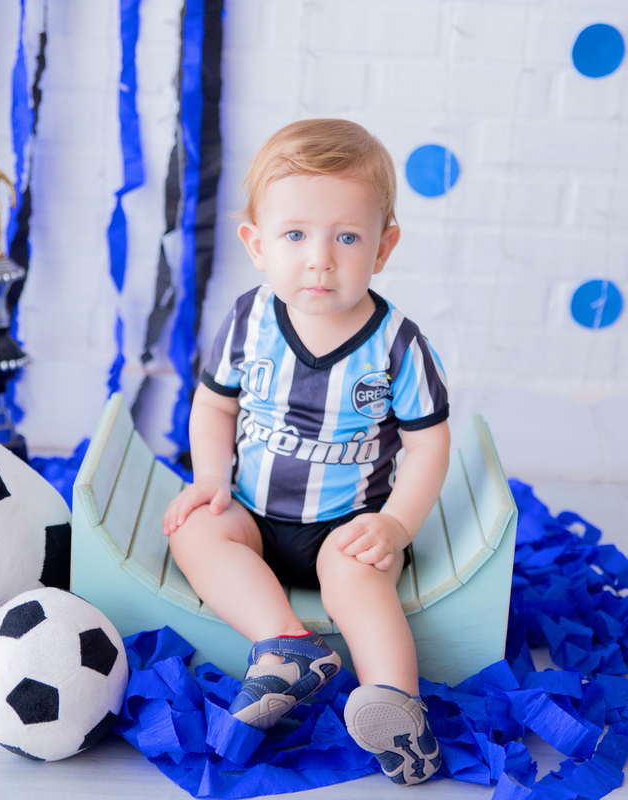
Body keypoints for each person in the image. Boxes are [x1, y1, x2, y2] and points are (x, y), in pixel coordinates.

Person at [162, 119, 451, 786]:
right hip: (256, 512)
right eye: (295, 235)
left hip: (344, 525)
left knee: (357, 578)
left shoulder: (397, 344)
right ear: (256, 244)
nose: (320, 258)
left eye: (347, 236)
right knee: (195, 530)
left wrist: (395, 524)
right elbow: (215, 405)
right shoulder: (248, 319)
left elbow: (429, 443)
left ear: (384, 247)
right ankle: (286, 644)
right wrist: (211, 477)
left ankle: (395, 704)